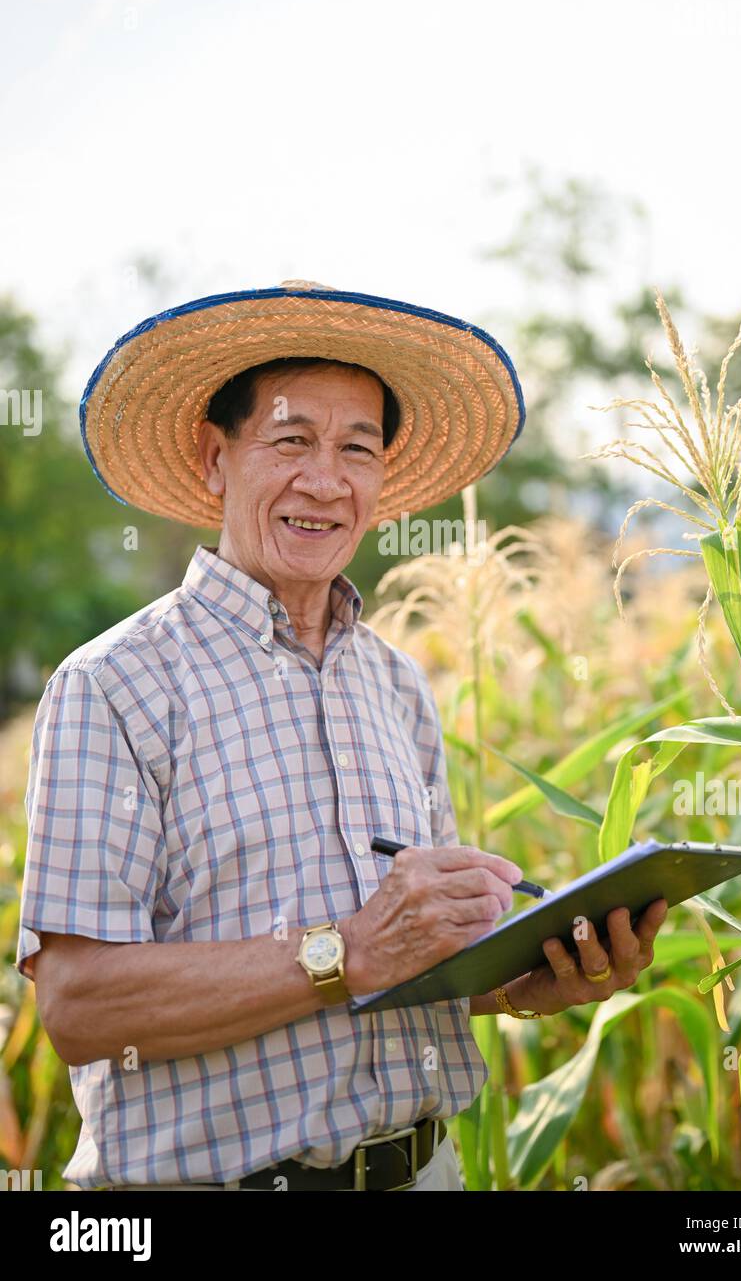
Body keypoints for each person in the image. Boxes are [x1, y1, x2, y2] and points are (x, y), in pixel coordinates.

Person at [15, 278, 668, 1192]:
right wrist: (344, 950)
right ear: (214, 459)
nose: (325, 481)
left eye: (357, 450)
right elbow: (80, 1005)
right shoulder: (113, 686)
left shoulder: (394, 682)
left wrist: (532, 980)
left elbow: (408, 964)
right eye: (290, 441)